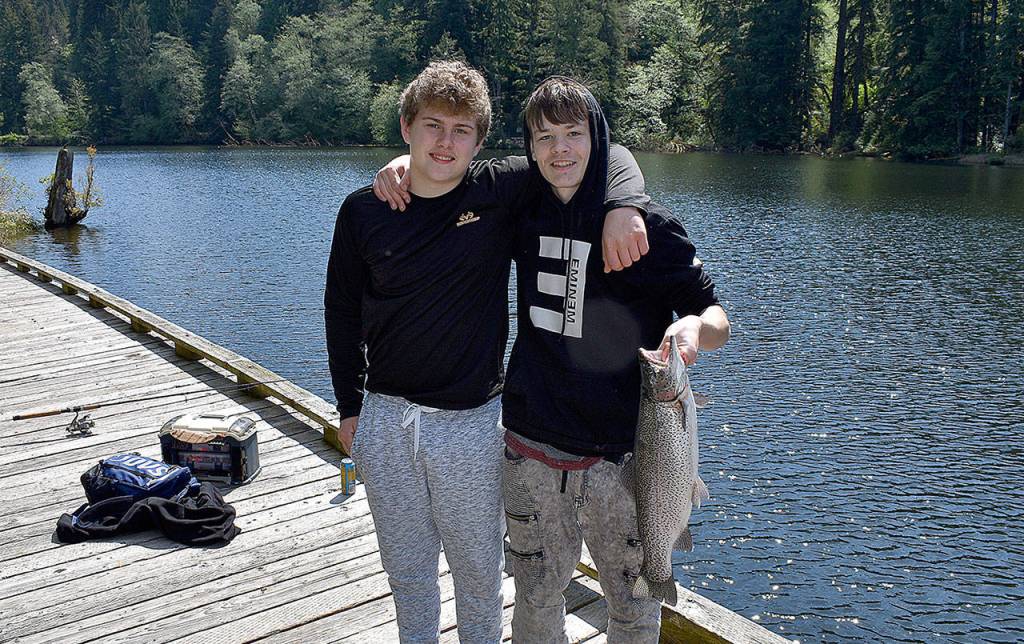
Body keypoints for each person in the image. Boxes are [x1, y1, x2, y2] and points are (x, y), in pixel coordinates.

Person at [325, 62, 650, 643]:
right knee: (408, 575)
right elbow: (342, 312)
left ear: (478, 141)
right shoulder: (363, 212)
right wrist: (350, 408)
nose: (445, 142)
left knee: (480, 578)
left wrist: (625, 204)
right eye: (432, 126)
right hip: (386, 421)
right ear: (406, 126)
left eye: (461, 130)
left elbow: (599, 150)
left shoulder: (497, 191)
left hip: (470, 426)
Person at [498, 76, 731, 642]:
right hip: (532, 447)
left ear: (597, 137)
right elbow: (447, 171)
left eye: (574, 134)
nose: (560, 150)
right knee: (535, 596)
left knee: (633, 608)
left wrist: (693, 329)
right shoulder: (519, 204)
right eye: (545, 136)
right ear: (529, 146)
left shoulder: (647, 223)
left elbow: (717, 317)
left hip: (625, 464)